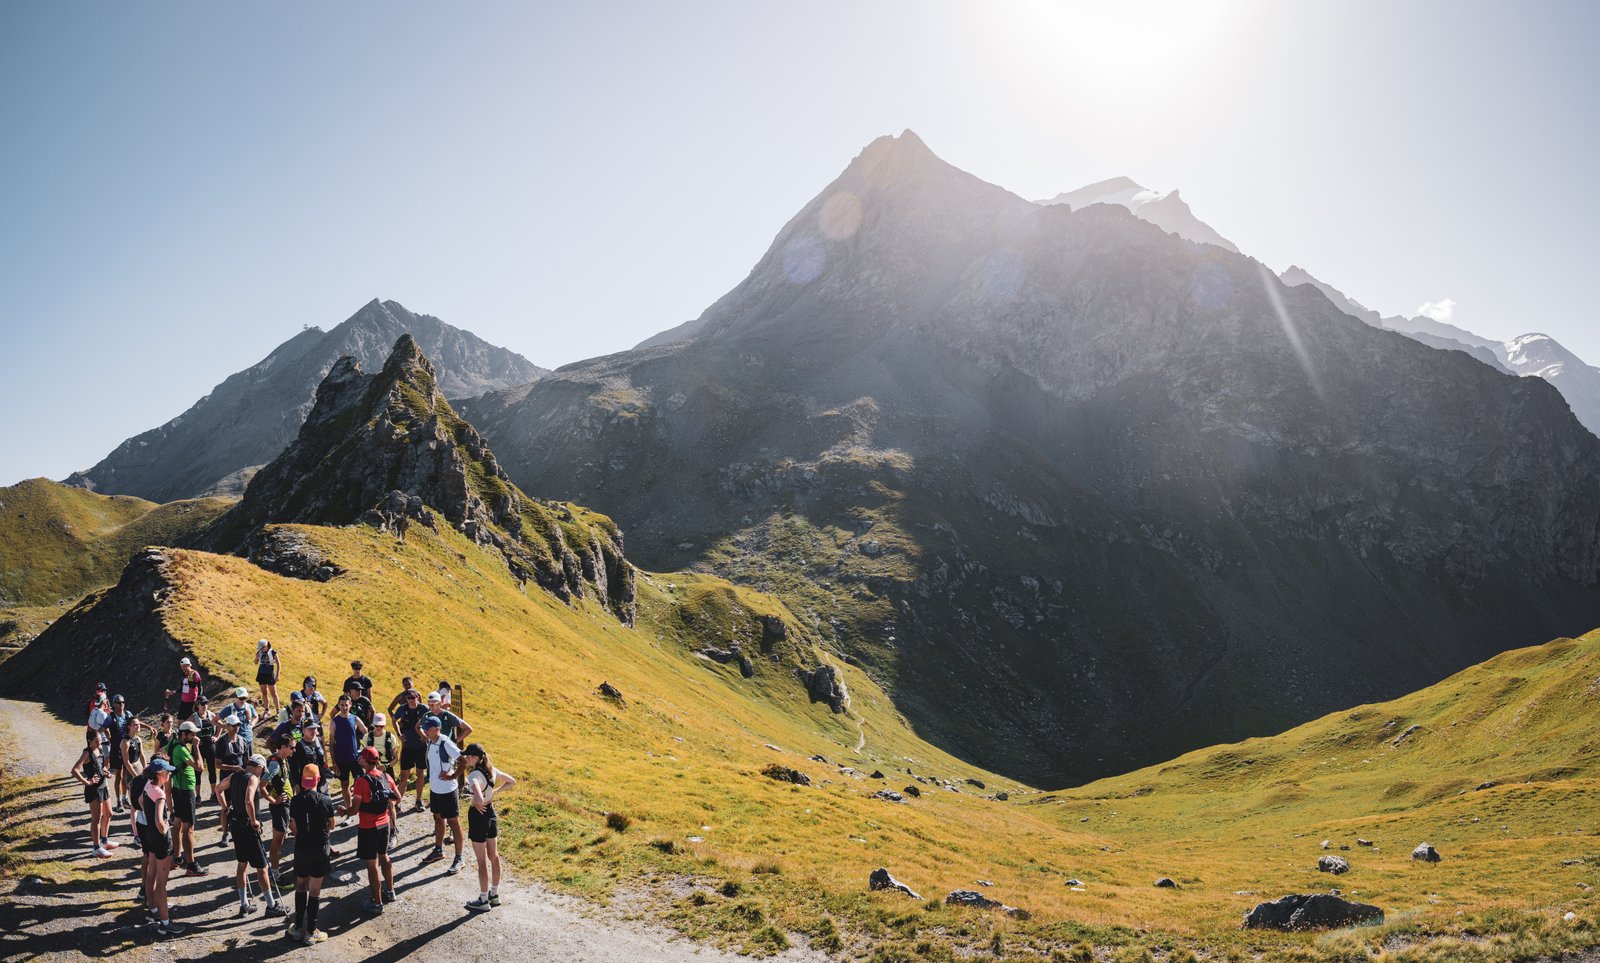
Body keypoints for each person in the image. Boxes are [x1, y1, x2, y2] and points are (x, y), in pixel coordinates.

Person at [343, 746, 400, 914]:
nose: (359, 758)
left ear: (366, 761)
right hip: (384, 824)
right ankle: (390, 891)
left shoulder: (361, 782)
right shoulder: (386, 776)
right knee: (384, 856)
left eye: (361, 757)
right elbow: (397, 798)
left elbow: (354, 810)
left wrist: (344, 811)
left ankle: (377, 903)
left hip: (368, 827)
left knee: (372, 864)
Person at [460, 743, 515, 912]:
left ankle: (483, 899)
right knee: (494, 856)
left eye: (468, 756)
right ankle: (494, 894)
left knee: (482, 861)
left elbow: (476, 793)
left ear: (475, 758)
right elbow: (511, 782)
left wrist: (478, 800)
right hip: (491, 813)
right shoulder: (492, 770)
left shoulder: (474, 775)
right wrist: (492, 795)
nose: (465, 758)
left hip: (478, 817)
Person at [227, 754, 283, 917]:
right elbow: (248, 801)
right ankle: (271, 906)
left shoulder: (234, 775)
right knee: (262, 868)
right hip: (248, 827)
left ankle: (244, 904)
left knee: (242, 864)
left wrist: (225, 807)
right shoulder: (252, 778)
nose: (262, 773)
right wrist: (254, 821)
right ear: (258, 767)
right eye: (262, 770)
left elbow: (218, 789)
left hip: (235, 824)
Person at [288, 763, 337, 945]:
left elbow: (293, 827)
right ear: (318, 779)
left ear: (302, 781)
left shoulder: (295, 800)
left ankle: (298, 927)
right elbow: (331, 824)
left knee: (300, 885)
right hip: (320, 847)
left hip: (302, 846)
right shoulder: (325, 800)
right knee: (314, 890)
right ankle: (311, 931)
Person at [140, 758, 186, 936]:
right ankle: (165, 923)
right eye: (167, 771)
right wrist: (167, 826)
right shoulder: (159, 793)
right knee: (162, 883)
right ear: (160, 774)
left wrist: (154, 822)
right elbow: (160, 821)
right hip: (161, 841)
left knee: (151, 874)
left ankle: (153, 909)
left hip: (150, 837)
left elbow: (140, 801)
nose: (170, 773)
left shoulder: (148, 786)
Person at [419, 715, 464, 875]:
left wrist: (453, 776)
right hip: (435, 789)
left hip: (448, 790)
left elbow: (463, 760)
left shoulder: (446, 742)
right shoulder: (431, 741)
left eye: (428, 728)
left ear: (436, 729)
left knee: (454, 822)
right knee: (438, 818)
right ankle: (438, 850)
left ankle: (459, 858)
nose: (425, 730)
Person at [72, 728, 115, 858]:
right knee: (96, 818)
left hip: (103, 786)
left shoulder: (100, 750)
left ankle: (105, 841)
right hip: (93, 790)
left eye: (100, 741)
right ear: (89, 741)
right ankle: (96, 848)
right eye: (96, 742)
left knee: (109, 814)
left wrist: (106, 772)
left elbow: (102, 766)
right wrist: (87, 782)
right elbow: (75, 770)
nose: (99, 744)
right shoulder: (87, 753)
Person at [170, 722, 205, 876]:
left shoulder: (173, 744)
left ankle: (176, 858)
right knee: (188, 829)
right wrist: (196, 747)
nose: (194, 736)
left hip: (178, 789)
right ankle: (191, 865)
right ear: (184, 734)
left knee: (177, 823)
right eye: (191, 734)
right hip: (186, 792)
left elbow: (159, 753)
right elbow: (200, 767)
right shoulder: (182, 749)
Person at [329, 693, 369, 820]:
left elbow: (366, 732)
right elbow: (331, 743)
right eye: (341, 705)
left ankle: (363, 809)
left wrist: (363, 750)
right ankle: (350, 811)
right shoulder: (334, 721)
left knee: (361, 783)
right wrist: (334, 763)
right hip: (341, 759)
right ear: (339, 705)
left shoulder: (355, 718)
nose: (344, 707)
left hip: (355, 758)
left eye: (346, 705)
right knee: (344, 785)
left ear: (350, 705)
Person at [262, 740, 295, 881]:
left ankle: (300, 863)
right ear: (283, 747)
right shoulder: (275, 763)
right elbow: (261, 786)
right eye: (292, 747)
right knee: (277, 842)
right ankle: (275, 874)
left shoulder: (283, 759)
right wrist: (274, 800)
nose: (294, 750)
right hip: (280, 807)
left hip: (289, 805)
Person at [392, 688, 429, 811]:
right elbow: (394, 720)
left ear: (418, 697)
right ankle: (398, 802)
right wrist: (398, 734)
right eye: (409, 698)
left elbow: (433, 721)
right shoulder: (402, 709)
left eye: (414, 698)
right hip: (407, 747)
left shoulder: (424, 709)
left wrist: (427, 736)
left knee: (420, 774)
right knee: (404, 776)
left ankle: (418, 801)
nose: (412, 700)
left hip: (420, 747)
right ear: (406, 699)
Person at [213, 713, 248, 845]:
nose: (236, 727)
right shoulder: (222, 742)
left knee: (241, 805)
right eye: (233, 725)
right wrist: (234, 768)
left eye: (238, 725)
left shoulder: (243, 740)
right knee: (225, 807)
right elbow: (217, 764)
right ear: (227, 726)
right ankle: (225, 833)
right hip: (226, 778)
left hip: (240, 777)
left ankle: (237, 831)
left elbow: (246, 759)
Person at [104, 694, 140, 813]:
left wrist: (148, 727)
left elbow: (136, 723)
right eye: (119, 702)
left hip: (127, 747)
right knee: (119, 774)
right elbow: (103, 728)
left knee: (126, 774)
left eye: (123, 702)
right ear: (114, 704)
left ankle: (125, 799)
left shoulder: (128, 714)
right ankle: (119, 801)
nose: (121, 704)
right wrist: (107, 739)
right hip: (116, 749)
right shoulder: (110, 716)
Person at [291, 719, 329, 796]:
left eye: (315, 728)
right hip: (307, 781)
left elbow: (323, 759)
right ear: (304, 730)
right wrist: (297, 783)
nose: (313, 731)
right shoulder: (298, 745)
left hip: (321, 779)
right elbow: (294, 766)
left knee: (323, 802)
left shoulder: (319, 741)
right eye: (310, 729)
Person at [193, 695, 219, 803]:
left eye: (206, 703)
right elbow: (184, 728)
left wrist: (217, 736)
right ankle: (198, 796)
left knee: (212, 770)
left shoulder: (211, 714)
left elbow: (220, 725)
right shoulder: (193, 717)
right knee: (197, 771)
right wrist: (193, 739)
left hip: (210, 746)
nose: (205, 706)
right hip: (199, 748)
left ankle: (213, 794)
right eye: (203, 704)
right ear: (198, 705)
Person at [167, 656, 202, 721]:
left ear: (188, 665)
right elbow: (182, 688)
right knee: (180, 720)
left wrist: (198, 700)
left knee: (190, 720)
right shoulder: (184, 675)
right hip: (184, 701)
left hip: (192, 701)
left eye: (184, 666)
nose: (182, 668)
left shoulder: (194, 674)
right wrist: (173, 692)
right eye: (181, 666)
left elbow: (200, 687)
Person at [255, 638, 282, 716]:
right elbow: (255, 662)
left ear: (265, 646)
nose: (261, 649)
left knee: (273, 693)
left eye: (262, 648)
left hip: (270, 674)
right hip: (261, 673)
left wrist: (277, 675)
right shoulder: (259, 652)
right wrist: (256, 657)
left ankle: (278, 710)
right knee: (264, 692)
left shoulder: (273, 652)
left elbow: (278, 664)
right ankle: (267, 710)